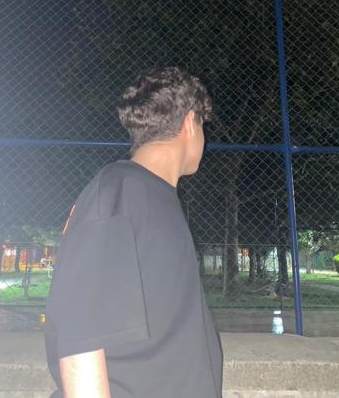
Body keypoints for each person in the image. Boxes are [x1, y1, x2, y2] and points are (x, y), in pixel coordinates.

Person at [45, 67, 223, 398]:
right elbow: (80, 334)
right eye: (203, 125)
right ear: (189, 122)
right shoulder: (121, 187)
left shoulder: (151, 196)